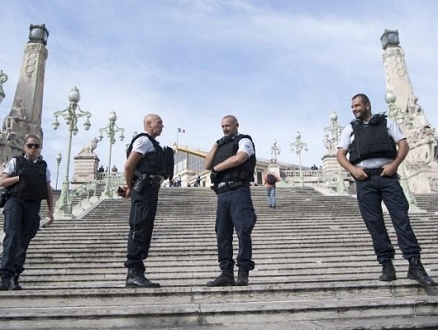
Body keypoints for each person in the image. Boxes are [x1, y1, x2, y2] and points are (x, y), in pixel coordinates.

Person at [336, 93, 435, 287]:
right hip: (364, 179)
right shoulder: (350, 129)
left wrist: (395, 165)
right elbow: (340, 155)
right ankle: (387, 265)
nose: (354, 109)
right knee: (374, 224)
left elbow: (404, 145)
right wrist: (353, 170)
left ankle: (415, 264)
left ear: (367, 105)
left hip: (387, 176)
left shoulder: (387, 123)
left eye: (357, 105)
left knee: (402, 219)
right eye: (352, 107)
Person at [122, 114, 173, 288]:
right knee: (139, 226)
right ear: (148, 124)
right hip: (143, 190)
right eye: (159, 123)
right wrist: (130, 188)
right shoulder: (144, 141)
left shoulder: (152, 143)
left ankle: (138, 272)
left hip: (150, 190)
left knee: (145, 228)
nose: (162, 126)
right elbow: (129, 166)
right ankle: (133, 273)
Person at [205, 115, 257, 286]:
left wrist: (218, 168)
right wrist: (215, 144)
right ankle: (226, 272)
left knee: (243, 231)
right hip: (222, 194)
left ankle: (243, 271)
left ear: (236, 125)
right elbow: (207, 164)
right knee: (222, 233)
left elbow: (240, 158)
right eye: (222, 126)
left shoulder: (244, 140)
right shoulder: (220, 145)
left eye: (228, 125)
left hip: (239, 191)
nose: (225, 129)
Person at [0, 134, 54, 290]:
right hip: (15, 201)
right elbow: (2, 181)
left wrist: (51, 211)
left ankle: (15, 277)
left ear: (40, 148)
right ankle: (5, 276)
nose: (33, 148)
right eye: (30, 145)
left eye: (36, 146)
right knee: (12, 236)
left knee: (24, 241)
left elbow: (48, 189)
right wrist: (19, 177)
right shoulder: (15, 162)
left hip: (33, 204)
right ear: (25, 147)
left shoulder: (44, 167)